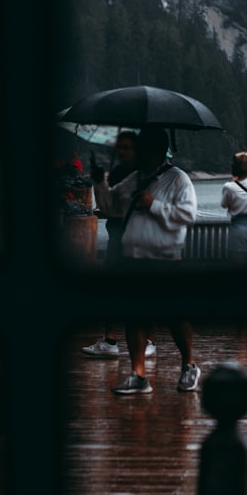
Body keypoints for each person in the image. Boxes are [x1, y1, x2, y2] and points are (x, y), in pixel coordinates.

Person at [91, 126, 200, 394]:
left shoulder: (178, 179)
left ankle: (189, 365)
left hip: (165, 258)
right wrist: (99, 183)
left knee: (176, 316)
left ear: (156, 150)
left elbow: (188, 215)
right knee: (134, 317)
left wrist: (154, 204)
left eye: (144, 148)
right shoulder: (135, 178)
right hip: (133, 258)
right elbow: (110, 207)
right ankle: (138, 374)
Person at [81, 131, 157, 359]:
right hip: (117, 238)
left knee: (144, 292)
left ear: (136, 150)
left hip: (139, 239)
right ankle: (110, 339)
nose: (122, 151)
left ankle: (148, 340)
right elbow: (108, 205)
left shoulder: (144, 175)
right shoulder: (117, 172)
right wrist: (99, 184)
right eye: (120, 147)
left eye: (127, 147)